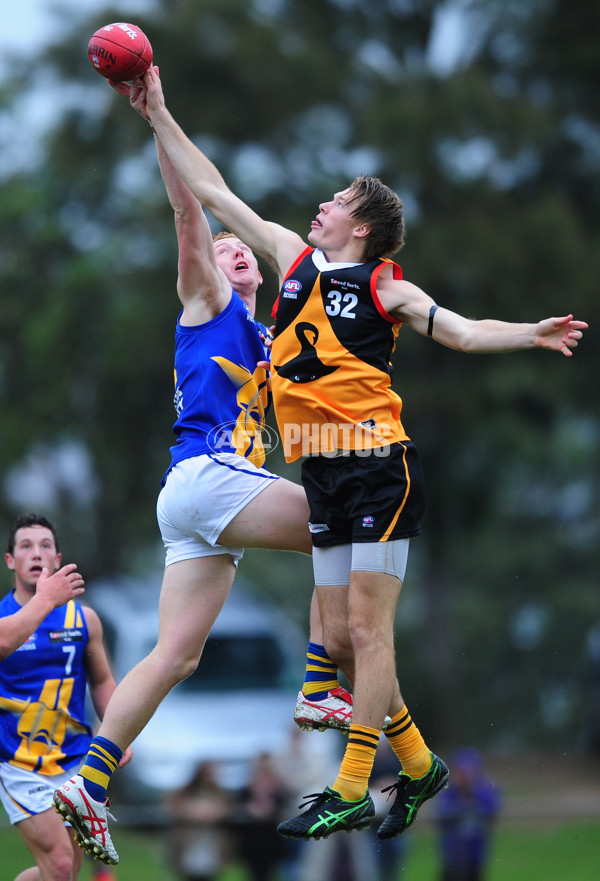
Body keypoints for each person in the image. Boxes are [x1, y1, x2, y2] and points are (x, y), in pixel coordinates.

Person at [114, 65, 587, 846]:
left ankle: (351, 786)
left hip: (378, 464)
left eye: (337, 202)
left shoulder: (384, 285)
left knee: (368, 634)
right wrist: (156, 111)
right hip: (323, 473)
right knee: (335, 639)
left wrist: (527, 333)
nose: (322, 205)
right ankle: (420, 765)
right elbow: (212, 187)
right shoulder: (290, 259)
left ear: (361, 227)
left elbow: (463, 330)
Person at [53, 86, 355, 867]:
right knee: (347, 519)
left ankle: (89, 779)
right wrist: (154, 111)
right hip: (211, 479)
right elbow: (193, 211)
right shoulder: (207, 300)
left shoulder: (268, 330)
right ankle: (320, 683)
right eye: (222, 248)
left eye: (239, 249)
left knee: (176, 656)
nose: (231, 249)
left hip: (192, 504)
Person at [0, 513, 132, 881]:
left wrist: (118, 733)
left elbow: (103, 681)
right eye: (26, 546)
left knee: (64, 872)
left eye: (45, 545)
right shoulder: (3, 621)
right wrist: (44, 600)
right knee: (59, 865)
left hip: (76, 764)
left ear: (58, 560)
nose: (36, 553)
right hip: (21, 765)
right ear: (11, 560)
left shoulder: (84, 620)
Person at [435, 747, 501, 881]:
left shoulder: (484, 790)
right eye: (460, 771)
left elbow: (491, 809)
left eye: (467, 771)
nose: (463, 776)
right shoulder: (448, 791)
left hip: (475, 855)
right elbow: (440, 811)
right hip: (451, 855)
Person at [164, 760, 233, 881]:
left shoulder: (217, 791)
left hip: (210, 840)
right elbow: (172, 807)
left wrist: (212, 813)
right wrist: (191, 811)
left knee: (209, 871)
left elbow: (226, 807)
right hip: (189, 839)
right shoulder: (186, 791)